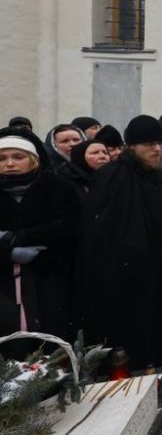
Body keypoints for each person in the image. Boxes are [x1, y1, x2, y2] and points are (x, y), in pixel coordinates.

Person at [80, 115, 162, 370]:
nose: (156, 150)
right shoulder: (111, 176)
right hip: (127, 278)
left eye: (159, 144)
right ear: (131, 146)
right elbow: (102, 233)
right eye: (148, 145)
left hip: (160, 272)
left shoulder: (161, 176)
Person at [0, 128, 80, 347]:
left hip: (51, 280)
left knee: (51, 344)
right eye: (2, 158)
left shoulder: (58, 188)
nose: (9, 163)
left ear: (33, 159)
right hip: (4, 287)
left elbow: (70, 227)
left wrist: (17, 238)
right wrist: (8, 252)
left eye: (18, 157)